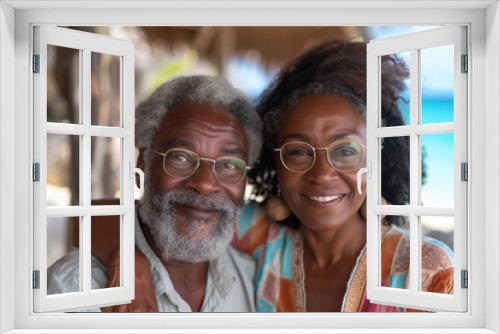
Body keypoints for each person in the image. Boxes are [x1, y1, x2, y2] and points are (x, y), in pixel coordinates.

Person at [102, 40, 454, 312]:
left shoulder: (424, 271)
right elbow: (99, 215)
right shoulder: (261, 240)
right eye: (299, 152)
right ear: (276, 163)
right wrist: (130, 258)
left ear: (376, 157)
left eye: (345, 151)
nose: (322, 173)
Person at [47, 75, 263, 312]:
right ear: (143, 162)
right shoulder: (79, 292)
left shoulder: (254, 278)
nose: (205, 184)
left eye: (230, 164)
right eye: (180, 157)